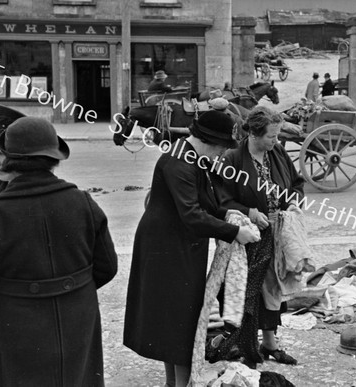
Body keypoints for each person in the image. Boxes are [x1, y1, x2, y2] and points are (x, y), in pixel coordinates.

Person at [0, 117, 118, 386]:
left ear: (9, 158)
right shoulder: (83, 203)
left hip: (16, 322)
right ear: (53, 157)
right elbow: (107, 267)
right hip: (77, 317)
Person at [123, 110, 260, 387]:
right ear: (212, 143)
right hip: (167, 249)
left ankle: (176, 383)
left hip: (178, 245)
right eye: (222, 149)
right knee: (181, 323)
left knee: (177, 320)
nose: (222, 155)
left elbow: (208, 204)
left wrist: (232, 215)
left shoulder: (191, 157)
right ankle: (180, 384)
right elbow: (192, 215)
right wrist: (235, 232)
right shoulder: (180, 163)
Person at [216, 106, 305, 368]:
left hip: (278, 233)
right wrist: (250, 212)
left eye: (277, 136)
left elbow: (296, 184)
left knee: (273, 292)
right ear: (254, 134)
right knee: (247, 294)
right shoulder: (232, 159)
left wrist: (293, 204)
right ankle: (246, 346)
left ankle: (269, 344)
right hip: (248, 238)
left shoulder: (276, 153)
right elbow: (220, 202)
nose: (276, 141)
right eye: (272, 136)